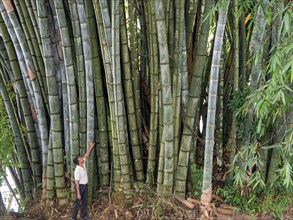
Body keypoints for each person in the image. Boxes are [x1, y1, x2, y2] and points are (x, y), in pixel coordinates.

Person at [72, 140, 95, 220]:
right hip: (80, 187)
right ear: (78, 162)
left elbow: (86, 155)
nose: (82, 158)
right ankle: (74, 217)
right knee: (78, 202)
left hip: (85, 186)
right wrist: (78, 193)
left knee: (85, 202)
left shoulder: (83, 164)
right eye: (80, 158)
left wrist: (91, 147)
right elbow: (77, 182)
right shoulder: (77, 170)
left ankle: (83, 216)